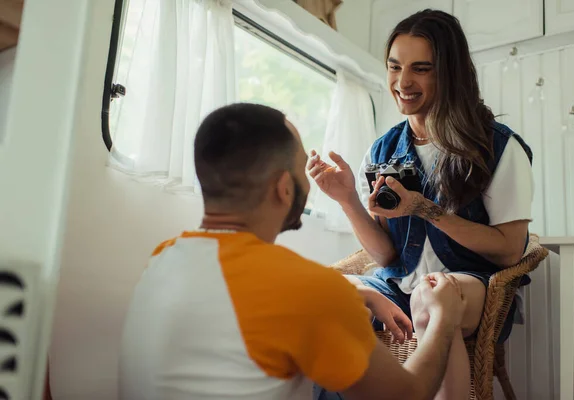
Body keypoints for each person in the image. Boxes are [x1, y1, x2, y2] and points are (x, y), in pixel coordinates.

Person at [118, 102, 468, 400]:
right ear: (284, 188)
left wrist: (357, 291)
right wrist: (443, 318)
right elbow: (406, 394)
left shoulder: (164, 258)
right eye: (301, 168)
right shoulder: (305, 289)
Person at [307, 9, 534, 400]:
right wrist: (346, 198)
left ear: (449, 74)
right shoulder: (382, 150)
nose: (403, 82)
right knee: (329, 301)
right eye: (395, 67)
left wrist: (423, 209)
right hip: (397, 285)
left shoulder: (497, 146)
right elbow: (385, 255)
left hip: (471, 285)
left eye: (421, 69)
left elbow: (509, 249)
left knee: (432, 297)